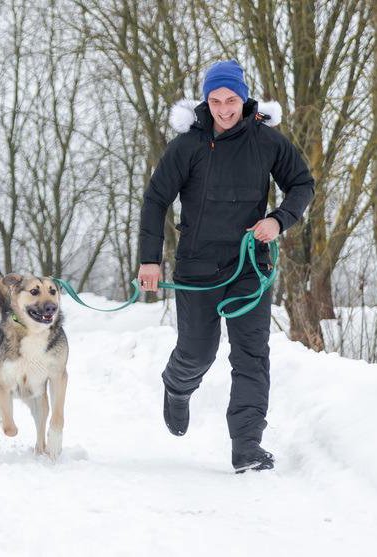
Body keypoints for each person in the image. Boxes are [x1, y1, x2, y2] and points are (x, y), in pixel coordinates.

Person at [137, 60, 315, 473]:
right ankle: (176, 387)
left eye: (231, 100)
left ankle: (247, 445)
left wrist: (278, 219)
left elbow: (302, 184)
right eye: (215, 101)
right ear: (205, 102)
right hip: (197, 265)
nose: (223, 109)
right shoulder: (187, 146)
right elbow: (156, 199)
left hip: (249, 265)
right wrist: (150, 259)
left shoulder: (267, 140)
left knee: (251, 355)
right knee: (198, 352)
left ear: (244, 97)